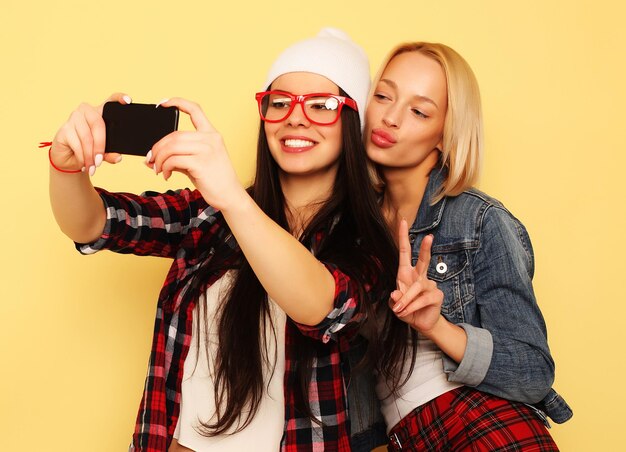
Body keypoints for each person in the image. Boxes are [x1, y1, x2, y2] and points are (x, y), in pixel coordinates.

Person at [47, 28, 396, 451]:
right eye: (279, 103)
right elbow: (93, 223)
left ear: (350, 122)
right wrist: (65, 165)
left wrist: (232, 197)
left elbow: (325, 308)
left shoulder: (369, 237)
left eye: (322, 105)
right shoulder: (209, 215)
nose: (295, 117)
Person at [364, 42, 573, 450]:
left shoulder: (478, 220)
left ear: (445, 135)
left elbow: (533, 371)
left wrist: (436, 326)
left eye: (419, 111)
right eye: (383, 96)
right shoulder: (355, 226)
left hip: (483, 422)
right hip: (406, 438)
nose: (390, 117)